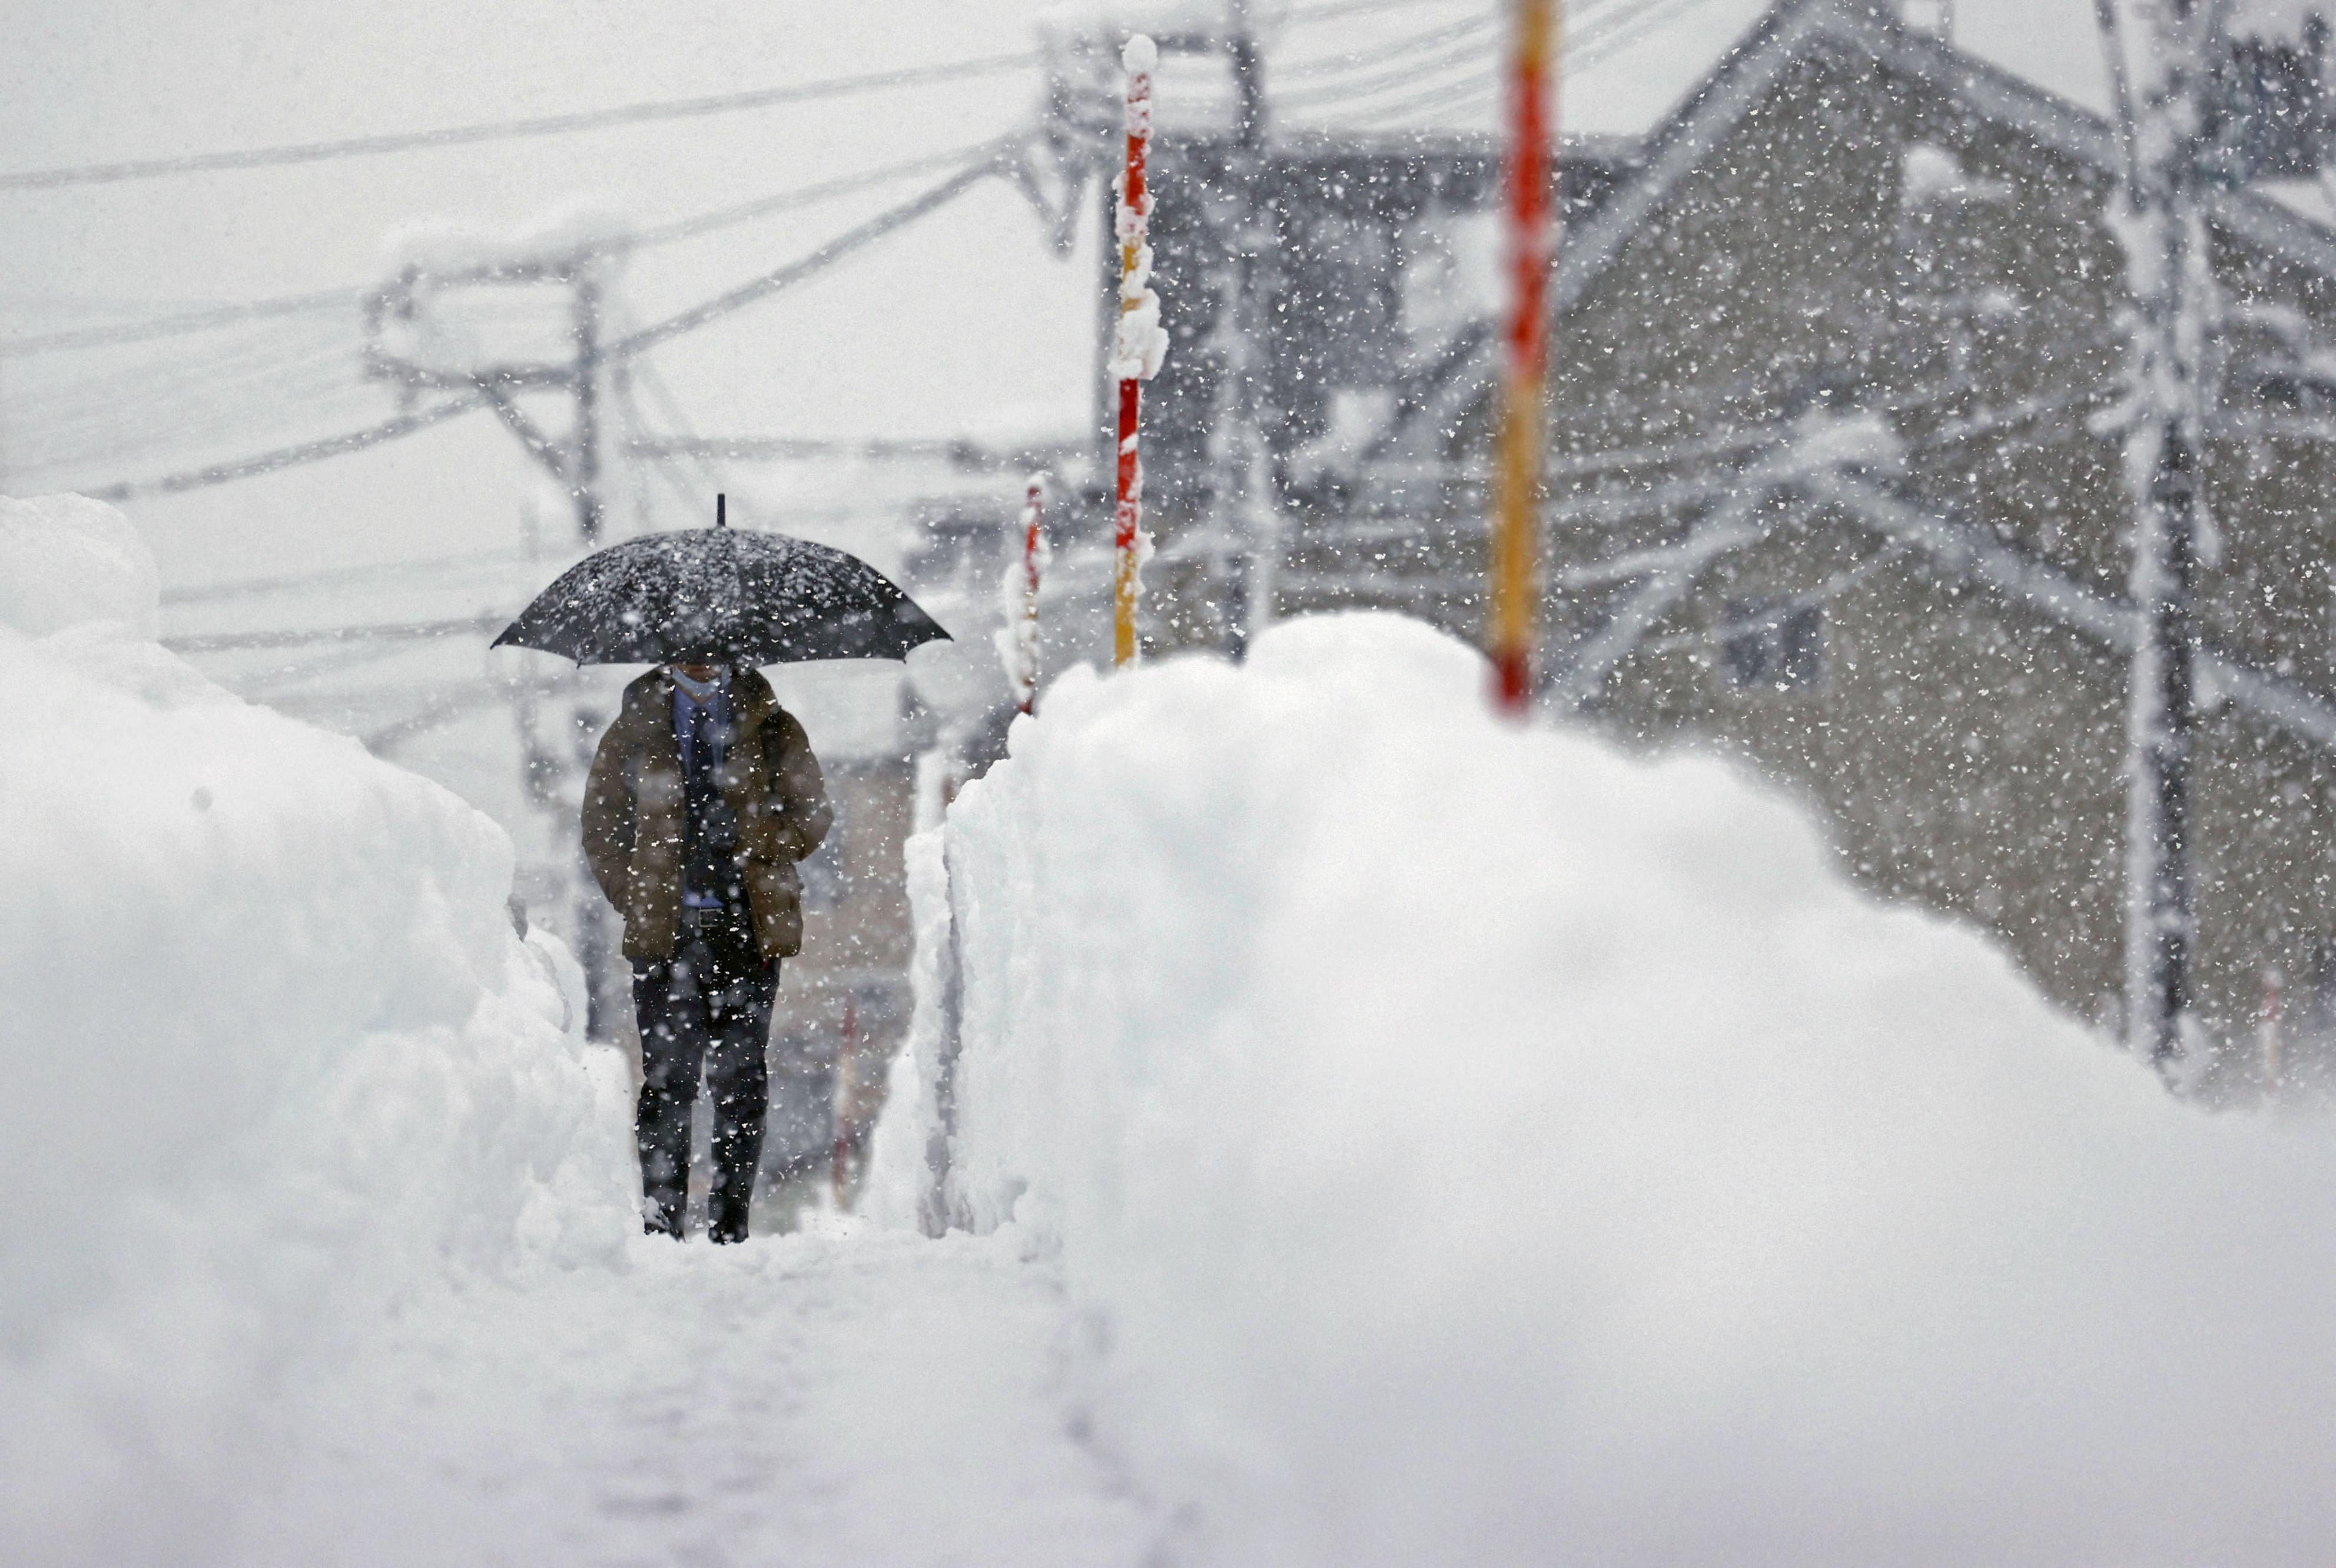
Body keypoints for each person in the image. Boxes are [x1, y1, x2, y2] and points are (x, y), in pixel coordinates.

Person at [582, 659, 831, 1243]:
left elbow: (813, 817)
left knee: (740, 1082)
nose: (699, 654)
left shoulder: (773, 728)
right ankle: (662, 1224)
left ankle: (729, 1227)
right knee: (668, 1083)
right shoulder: (634, 730)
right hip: (666, 933)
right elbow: (602, 828)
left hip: (746, 927)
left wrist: (760, 841)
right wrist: (638, 895)